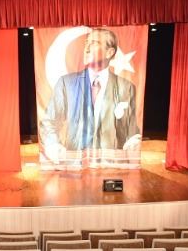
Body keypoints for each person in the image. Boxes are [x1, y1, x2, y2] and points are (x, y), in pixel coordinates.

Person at [40, 28, 141, 164]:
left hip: (111, 166)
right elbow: (49, 122)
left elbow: (131, 127)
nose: (86, 48)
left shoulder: (126, 87)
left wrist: (133, 142)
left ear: (109, 52)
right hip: (75, 164)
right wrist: (54, 146)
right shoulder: (66, 83)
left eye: (94, 43)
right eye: (86, 43)